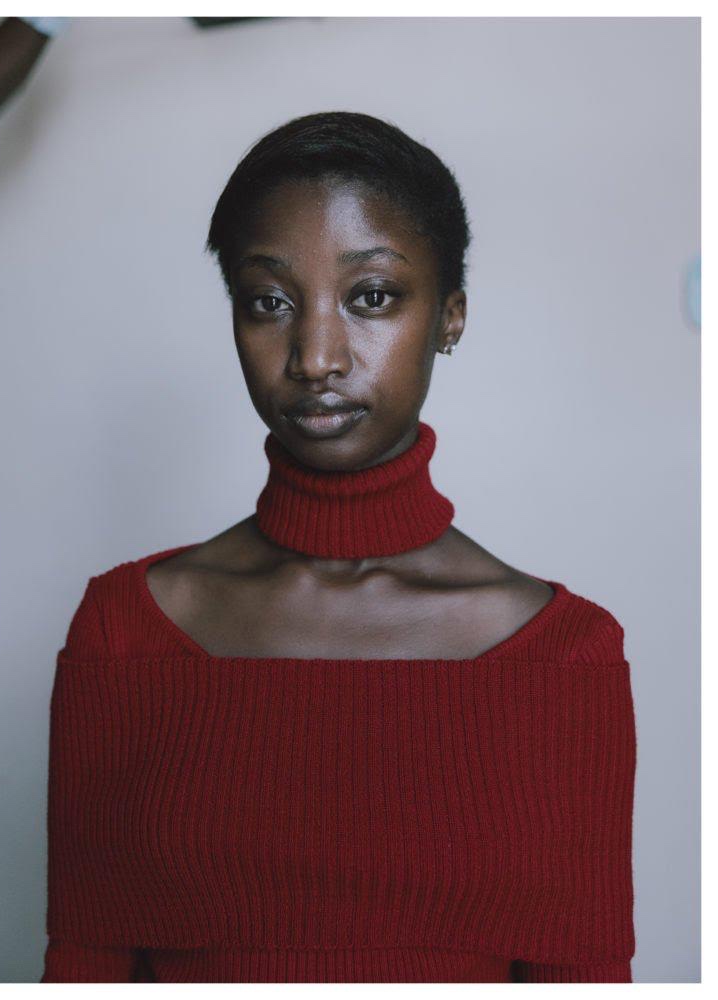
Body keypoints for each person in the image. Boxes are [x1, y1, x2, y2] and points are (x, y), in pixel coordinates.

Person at [41, 111, 636, 983]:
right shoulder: (125, 633)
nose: (316, 357)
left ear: (451, 316)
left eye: (372, 297)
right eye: (270, 302)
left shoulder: (563, 656)